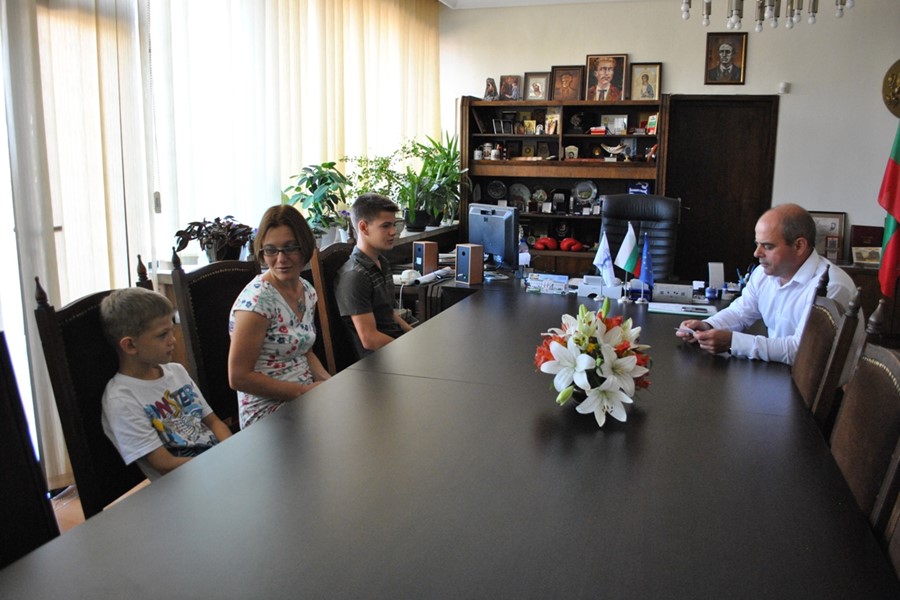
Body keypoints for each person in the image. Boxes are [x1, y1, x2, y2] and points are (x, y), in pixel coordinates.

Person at [676, 203, 855, 365]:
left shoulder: (831, 286)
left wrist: (733, 342)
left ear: (799, 246)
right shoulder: (763, 273)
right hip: (778, 371)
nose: (757, 253)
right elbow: (740, 312)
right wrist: (708, 326)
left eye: (768, 246)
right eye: (757, 244)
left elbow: (800, 351)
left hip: (813, 387)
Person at [100, 287, 232, 481]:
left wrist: (232, 452)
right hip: (186, 482)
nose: (173, 340)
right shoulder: (121, 399)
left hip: (218, 465)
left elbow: (213, 422)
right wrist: (219, 464)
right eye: (163, 335)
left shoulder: (176, 371)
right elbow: (164, 464)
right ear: (130, 345)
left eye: (172, 330)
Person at [228, 204, 331, 428]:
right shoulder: (257, 302)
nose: (281, 259)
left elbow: (306, 351)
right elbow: (238, 377)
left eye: (290, 248)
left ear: (305, 247)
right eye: (271, 250)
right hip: (266, 413)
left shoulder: (307, 290)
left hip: (305, 397)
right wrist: (303, 392)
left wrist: (330, 384)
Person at [335, 193, 413, 356]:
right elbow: (369, 339)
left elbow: (388, 312)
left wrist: (414, 336)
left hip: (396, 347)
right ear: (363, 227)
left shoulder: (381, 262)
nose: (393, 232)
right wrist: (409, 350)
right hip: (378, 360)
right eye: (385, 226)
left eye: (394, 225)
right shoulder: (354, 276)